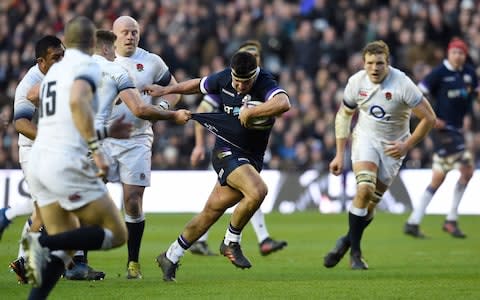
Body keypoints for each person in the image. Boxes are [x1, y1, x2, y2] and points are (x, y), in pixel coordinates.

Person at [144, 50, 290, 281]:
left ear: (255, 75)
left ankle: (170, 255)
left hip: (252, 156)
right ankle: (231, 241)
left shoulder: (264, 81)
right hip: (226, 151)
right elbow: (197, 85)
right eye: (237, 81)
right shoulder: (223, 78)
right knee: (258, 191)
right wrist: (166, 90)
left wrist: (254, 110)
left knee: (210, 212)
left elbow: (284, 103)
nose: (240, 87)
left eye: (245, 82)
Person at [20, 16, 129, 299]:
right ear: (92, 42)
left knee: (64, 249)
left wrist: (106, 130)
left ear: (66, 42)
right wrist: (96, 149)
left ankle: (42, 254)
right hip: (64, 163)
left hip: (39, 162)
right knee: (117, 234)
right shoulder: (87, 65)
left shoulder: (53, 72)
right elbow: (76, 100)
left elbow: (35, 95)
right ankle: (40, 241)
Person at [322, 40, 436, 270]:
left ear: (388, 63)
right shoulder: (356, 82)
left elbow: (429, 119)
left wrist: (407, 145)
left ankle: (346, 240)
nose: (374, 68)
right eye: (370, 63)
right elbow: (344, 115)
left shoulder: (403, 84)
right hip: (365, 139)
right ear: (363, 63)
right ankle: (355, 254)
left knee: (370, 205)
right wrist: (339, 154)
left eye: (379, 63)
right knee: (363, 190)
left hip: (394, 147)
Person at [189, 40, 287, 257]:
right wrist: (198, 145)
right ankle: (257, 239)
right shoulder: (225, 86)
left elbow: (280, 107)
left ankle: (190, 245)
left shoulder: (264, 84)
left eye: (255, 56)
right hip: (227, 149)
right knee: (250, 191)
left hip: (251, 149)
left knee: (229, 200)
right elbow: (203, 110)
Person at [106, 16, 182, 279]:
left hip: (137, 139)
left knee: (133, 201)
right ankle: (79, 261)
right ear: (113, 36)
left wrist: (163, 106)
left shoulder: (151, 61)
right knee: (90, 196)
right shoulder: (102, 61)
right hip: (103, 138)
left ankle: (133, 263)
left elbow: (174, 89)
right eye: (125, 32)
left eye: (134, 32)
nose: (130, 36)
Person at [404, 38, 478, 239]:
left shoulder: (470, 73)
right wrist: (430, 118)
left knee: (438, 177)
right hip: (441, 130)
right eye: (454, 52)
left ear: (465, 55)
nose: (458, 56)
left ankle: (413, 221)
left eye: (461, 53)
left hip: (457, 129)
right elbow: (417, 96)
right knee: (467, 169)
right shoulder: (439, 74)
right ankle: (451, 220)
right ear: (448, 53)